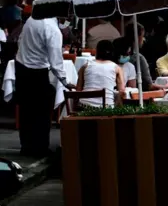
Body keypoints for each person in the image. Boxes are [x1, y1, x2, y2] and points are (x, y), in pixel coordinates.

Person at [14, 17, 75, 157]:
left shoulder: (32, 19)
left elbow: (20, 40)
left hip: (21, 65)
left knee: (26, 110)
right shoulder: (53, 30)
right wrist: (65, 81)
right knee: (42, 111)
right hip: (37, 70)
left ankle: (26, 146)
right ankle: (40, 148)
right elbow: (56, 61)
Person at [76, 40, 125, 107]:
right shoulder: (117, 68)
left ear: (97, 52)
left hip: (84, 107)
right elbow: (122, 92)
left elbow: (78, 90)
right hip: (106, 108)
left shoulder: (85, 66)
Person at [124, 23, 168, 92]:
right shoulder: (138, 58)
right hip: (139, 96)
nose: (143, 39)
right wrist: (167, 86)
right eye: (142, 36)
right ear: (137, 37)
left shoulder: (119, 56)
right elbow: (149, 85)